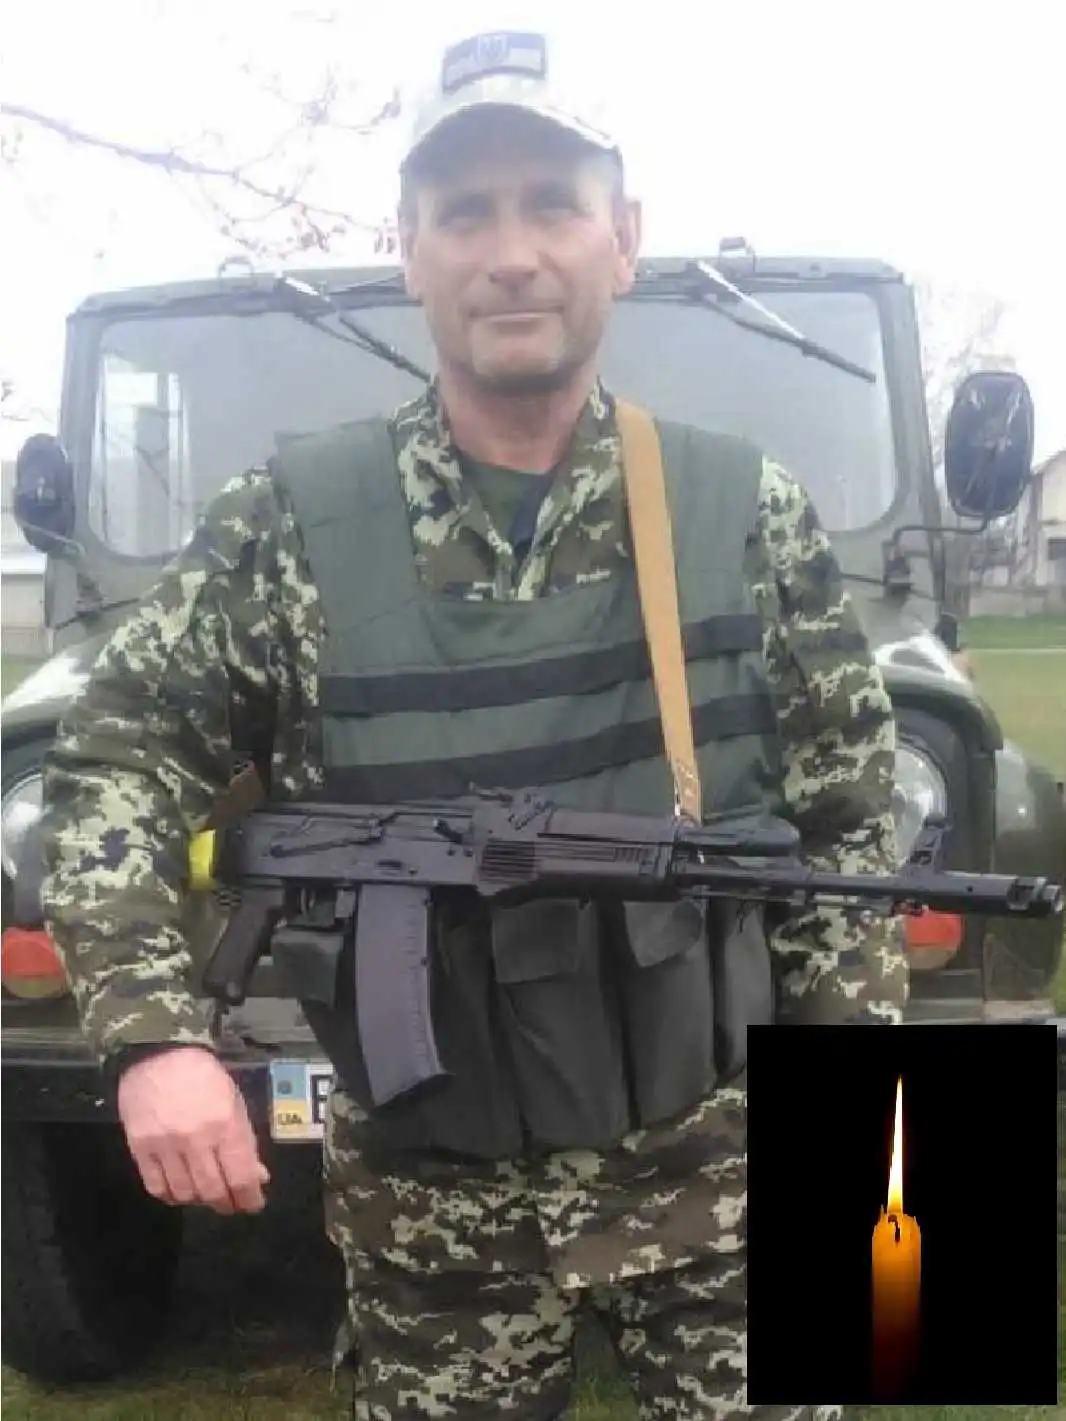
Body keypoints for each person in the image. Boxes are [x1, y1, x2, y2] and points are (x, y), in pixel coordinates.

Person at [38, 29, 907, 1421]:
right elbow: (114, 767)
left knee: (885, 1345)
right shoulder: (286, 523)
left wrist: (873, 1162)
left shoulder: (748, 506)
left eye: (552, 205)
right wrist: (154, 1039)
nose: (512, 255)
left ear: (623, 239)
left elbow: (851, 839)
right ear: (409, 251)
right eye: (464, 213)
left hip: (729, 1171)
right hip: (431, 1219)